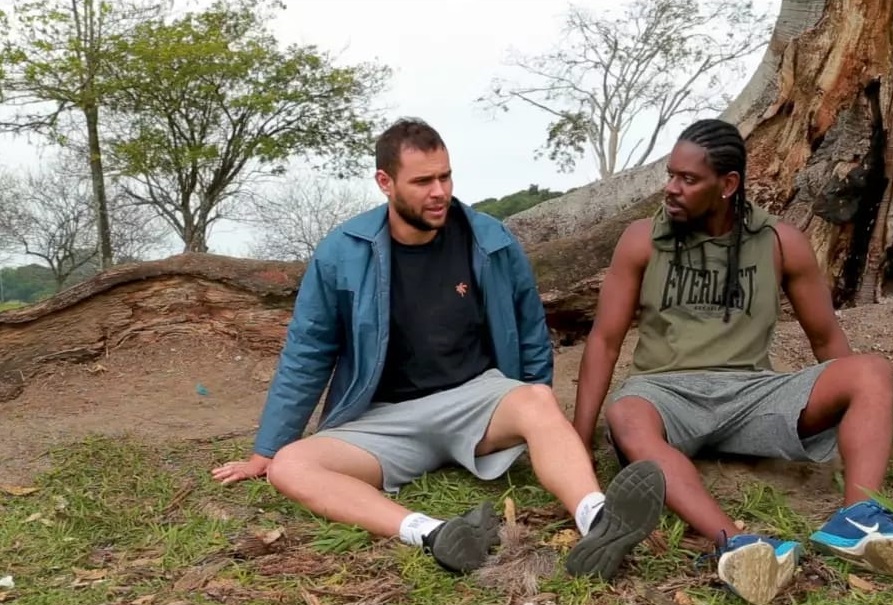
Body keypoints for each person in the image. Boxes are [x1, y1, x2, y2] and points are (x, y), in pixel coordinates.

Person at [211, 118, 666, 581]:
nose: (439, 192)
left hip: (476, 400)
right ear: (385, 182)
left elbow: (530, 330)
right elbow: (308, 350)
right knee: (290, 467)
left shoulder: (491, 240)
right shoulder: (342, 252)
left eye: (445, 177)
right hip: (386, 420)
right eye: (423, 181)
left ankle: (598, 519)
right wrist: (268, 448)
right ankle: (433, 533)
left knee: (537, 400)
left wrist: (542, 431)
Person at [571, 118, 893, 604]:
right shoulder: (642, 240)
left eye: (688, 179)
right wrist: (578, 442)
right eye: (671, 175)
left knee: (871, 371)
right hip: (665, 394)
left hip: (753, 396)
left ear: (727, 185)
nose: (672, 188)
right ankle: (736, 543)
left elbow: (826, 338)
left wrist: (859, 415)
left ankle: (858, 520)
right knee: (626, 413)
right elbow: (604, 342)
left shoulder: (781, 242)